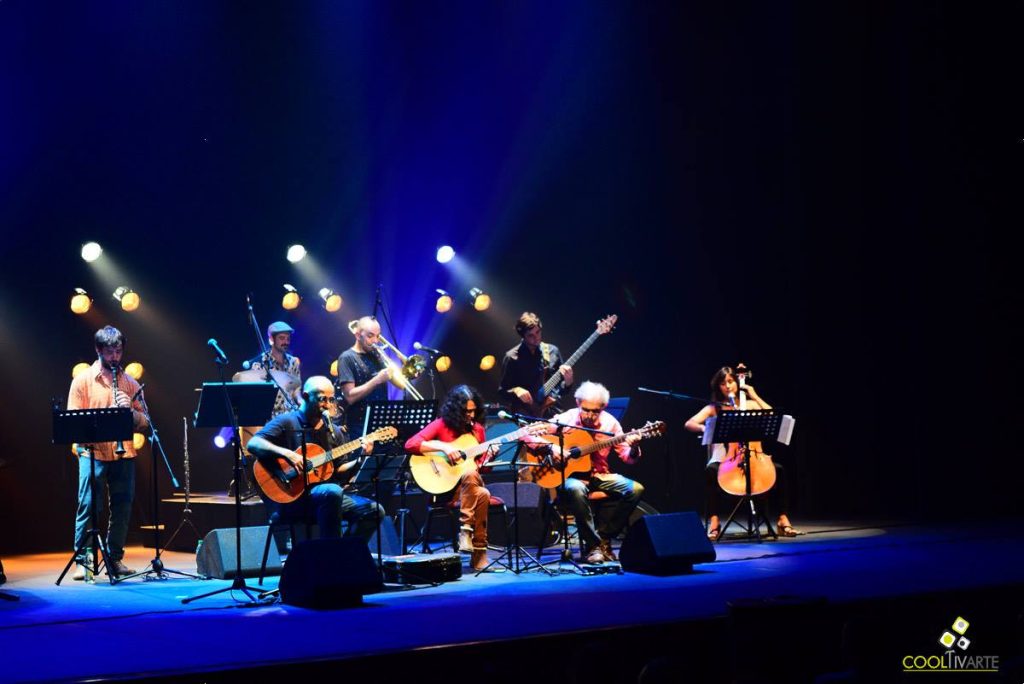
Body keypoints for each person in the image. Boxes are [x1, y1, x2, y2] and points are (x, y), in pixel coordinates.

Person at [246, 376, 384, 543]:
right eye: (321, 399)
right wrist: (288, 454)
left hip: (325, 497)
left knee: (374, 511)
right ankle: (328, 558)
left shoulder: (334, 432)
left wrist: (362, 458)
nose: (327, 405)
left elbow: (339, 470)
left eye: (331, 399)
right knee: (332, 491)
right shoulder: (287, 422)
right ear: (305, 396)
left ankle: (345, 553)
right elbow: (253, 443)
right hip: (292, 497)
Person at [67, 325, 149, 579]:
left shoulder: (130, 382)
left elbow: (146, 421)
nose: (115, 357)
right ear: (98, 349)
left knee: (123, 507)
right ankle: (85, 561)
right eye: (110, 351)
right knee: (90, 505)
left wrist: (131, 412)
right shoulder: (82, 381)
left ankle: (115, 559)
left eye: (118, 351)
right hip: (92, 453)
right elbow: (72, 421)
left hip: (123, 455)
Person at [684, 366, 800, 540]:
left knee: (780, 470)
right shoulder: (714, 408)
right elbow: (689, 423)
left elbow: (773, 415)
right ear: (718, 387)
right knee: (710, 472)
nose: (727, 386)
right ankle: (714, 521)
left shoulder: (750, 404)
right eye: (723, 383)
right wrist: (707, 428)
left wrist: (754, 395)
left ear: (737, 382)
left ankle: (783, 519)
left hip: (754, 458)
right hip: (726, 460)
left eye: (730, 381)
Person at [545, 381, 644, 564]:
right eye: (586, 409)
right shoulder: (566, 418)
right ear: (577, 403)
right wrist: (554, 450)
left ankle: (603, 538)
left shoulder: (610, 424)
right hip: (569, 476)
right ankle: (594, 547)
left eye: (595, 411)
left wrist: (634, 447)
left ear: (604, 407)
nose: (590, 415)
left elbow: (627, 457)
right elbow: (534, 435)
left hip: (598, 475)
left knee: (635, 489)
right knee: (576, 489)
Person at [405, 385, 494, 571]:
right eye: (466, 411)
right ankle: (479, 554)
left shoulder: (477, 430)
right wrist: (444, 447)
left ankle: (466, 530)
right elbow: (410, 444)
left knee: (471, 475)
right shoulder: (441, 424)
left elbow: (479, 470)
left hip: (468, 487)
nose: (470, 415)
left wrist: (488, 457)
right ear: (455, 410)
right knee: (483, 494)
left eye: (473, 410)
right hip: (447, 489)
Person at [498, 312, 573, 416]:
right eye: (530, 335)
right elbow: (502, 391)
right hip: (526, 414)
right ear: (523, 336)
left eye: (538, 332)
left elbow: (561, 390)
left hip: (552, 412)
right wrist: (517, 390)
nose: (536, 337)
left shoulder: (553, 351)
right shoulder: (512, 357)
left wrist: (568, 383)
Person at [336, 316, 391, 435]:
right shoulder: (346, 358)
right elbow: (349, 397)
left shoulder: (376, 355)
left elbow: (400, 384)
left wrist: (408, 373)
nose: (375, 341)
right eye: (370, 336)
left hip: (381, 424)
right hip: (360, 427)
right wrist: (377, 380)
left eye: (378, 336)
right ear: (357, 335)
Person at [246, 321, 301, 418]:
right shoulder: (260, 364)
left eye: (288, 338)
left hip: (291, 415)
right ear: (271, 339)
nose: (286, 342)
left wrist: (303, 403)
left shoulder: (293, 362)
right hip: (270, 418)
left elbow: (296, 390)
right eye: (282, 338)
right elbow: (255, 397)